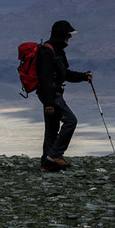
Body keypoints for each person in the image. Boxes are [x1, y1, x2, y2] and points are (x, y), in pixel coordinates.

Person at [36, 20, 92, 172]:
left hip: (53, 93)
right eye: (68, 34)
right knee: (70, 121)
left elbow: (65, 74)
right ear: (62, 35)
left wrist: (83, 76)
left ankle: (47, 164)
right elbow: (45, 79)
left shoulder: (58, 50)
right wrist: (49, 103)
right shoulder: (47, 51)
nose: (70, 37)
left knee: (52, 128)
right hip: (51, 94)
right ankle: (55, 155)